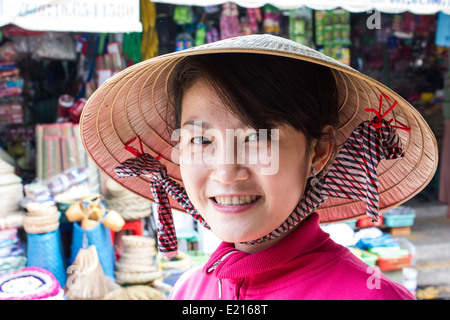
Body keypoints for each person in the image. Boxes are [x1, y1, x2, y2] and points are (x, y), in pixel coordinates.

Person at [80, 34, 437, 300]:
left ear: (319, 152)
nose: (226, 172)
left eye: (257, 139)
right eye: (201, 141)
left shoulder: (371, 296)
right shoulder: (191, 291)